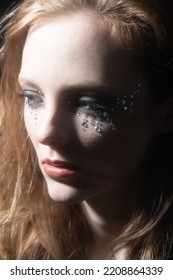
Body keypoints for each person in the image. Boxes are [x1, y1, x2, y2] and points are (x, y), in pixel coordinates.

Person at [0, 0, 173, 260]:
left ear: (166, 113)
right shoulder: (10, 244)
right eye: (32, 97)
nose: (46, 133)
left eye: (88, 104)